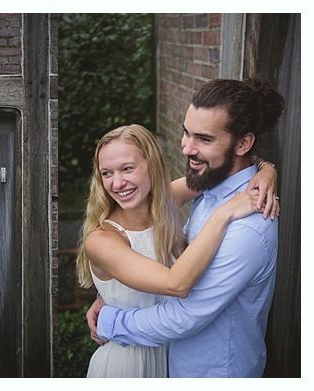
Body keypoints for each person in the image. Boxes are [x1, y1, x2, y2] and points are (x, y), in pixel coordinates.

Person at [88, 78, 284, 377]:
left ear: (243, 142)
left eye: (204, 139)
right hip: (154, 362)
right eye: (186, 133)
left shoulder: (247, 226)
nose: (187, 148)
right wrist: (113, 293)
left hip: (215, 372)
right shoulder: (207, 187)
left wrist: (110, 319)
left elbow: (184, 313)